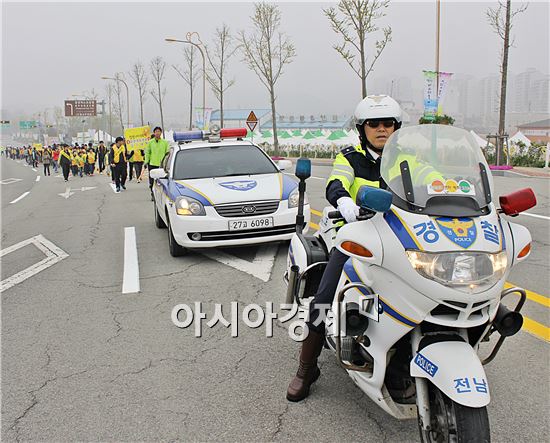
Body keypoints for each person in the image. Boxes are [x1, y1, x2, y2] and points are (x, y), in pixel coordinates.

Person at [286, 95, 403, 402]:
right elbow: (337, 182)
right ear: (362, 128)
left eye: (387, 123)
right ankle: (306, 369)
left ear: (396, 127)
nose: (381, 129)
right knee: (324, 299)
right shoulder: (349, 157)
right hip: (356, 236)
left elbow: (434, 182)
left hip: (401, 238)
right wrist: (343, 200)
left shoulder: (408, 159)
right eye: (373, 124)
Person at [144, 126, 170, 200]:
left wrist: (166, 162)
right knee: (152, 180)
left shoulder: (165, 142)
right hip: (152, 164)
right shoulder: (150, 142)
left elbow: (167, 153)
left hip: (162, 165)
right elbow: (147, 152)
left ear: (161, 133)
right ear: (154, 133)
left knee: (162, 180)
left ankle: (162, 195)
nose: (158, 133)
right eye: (156, 131)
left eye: (159, 131)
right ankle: (153, 193)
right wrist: (146, 161)